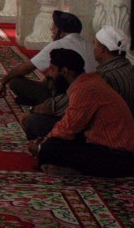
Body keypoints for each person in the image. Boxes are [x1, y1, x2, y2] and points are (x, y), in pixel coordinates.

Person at [30, 48, 134, 178]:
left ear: (64, 71)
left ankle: (73, 169)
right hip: (111, 149)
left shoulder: (85, 89)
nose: (49, 74)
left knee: (52, 147)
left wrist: (42, 146)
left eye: (52, 70)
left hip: (118, 157)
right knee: (54, 141)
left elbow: (68, 128)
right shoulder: (88, 81)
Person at [0, 10, 97, 107]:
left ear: (61, 31)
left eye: (53, 28)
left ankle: (47, 103)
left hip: (66, 97)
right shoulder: (90, 46)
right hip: (91, 94)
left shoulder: (58, 44)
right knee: (51, 76)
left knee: (15, 82)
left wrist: (3, 81)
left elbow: (27, 68)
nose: (51, 30)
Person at [91, 25, 134, 115]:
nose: (93, 47)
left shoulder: (104, 75)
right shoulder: (128, 66)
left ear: (102, 49)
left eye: (94, 43)